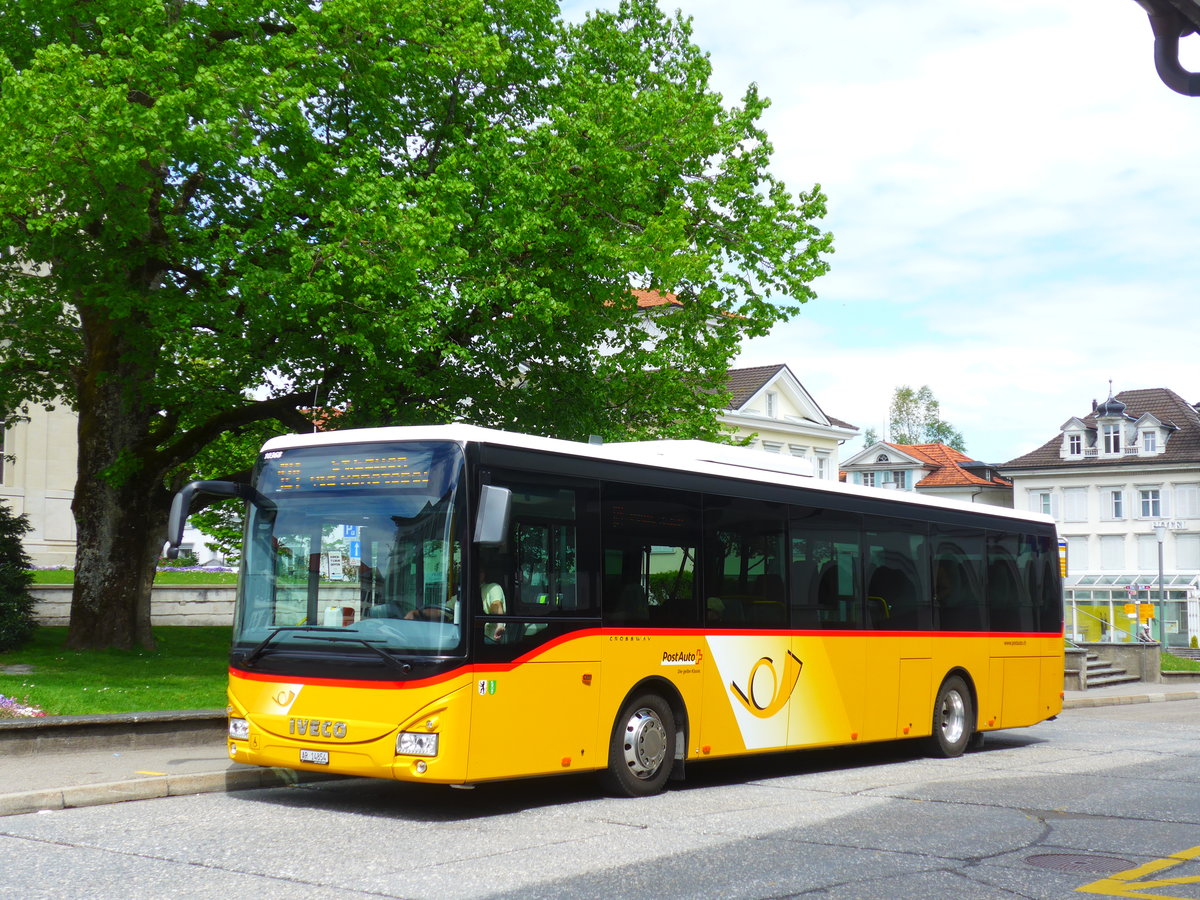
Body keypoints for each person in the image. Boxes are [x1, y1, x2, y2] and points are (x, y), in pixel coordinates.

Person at [480, 568, 506, 641]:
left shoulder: (492, 587)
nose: (478, 573)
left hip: (488, 638)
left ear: (484, 574)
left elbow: (496, 604)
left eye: (480, 571)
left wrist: (500, 625)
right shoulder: (463, 594)